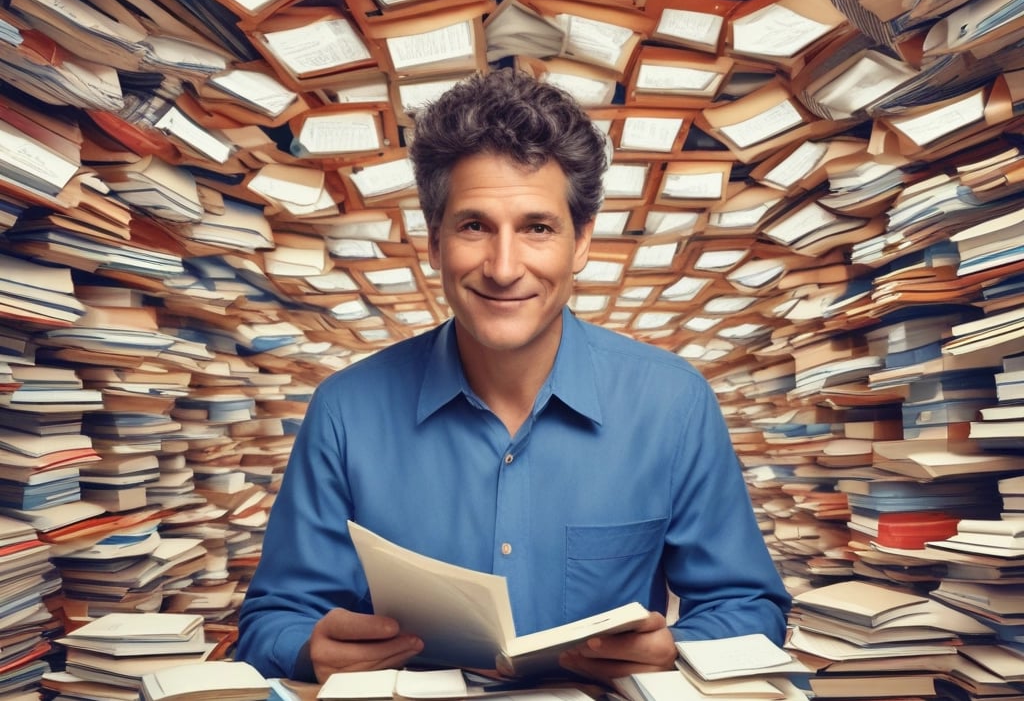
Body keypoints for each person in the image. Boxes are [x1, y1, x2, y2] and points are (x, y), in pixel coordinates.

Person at [235, 68, 790, 685]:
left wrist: (676, 649)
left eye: (537, 228)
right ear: (435, 244)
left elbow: (749, 607)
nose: (503, 268)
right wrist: (309, 648)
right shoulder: (345, 412)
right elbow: (270, 622)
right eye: (474, 226)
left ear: (581, 242)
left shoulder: (673, 404)